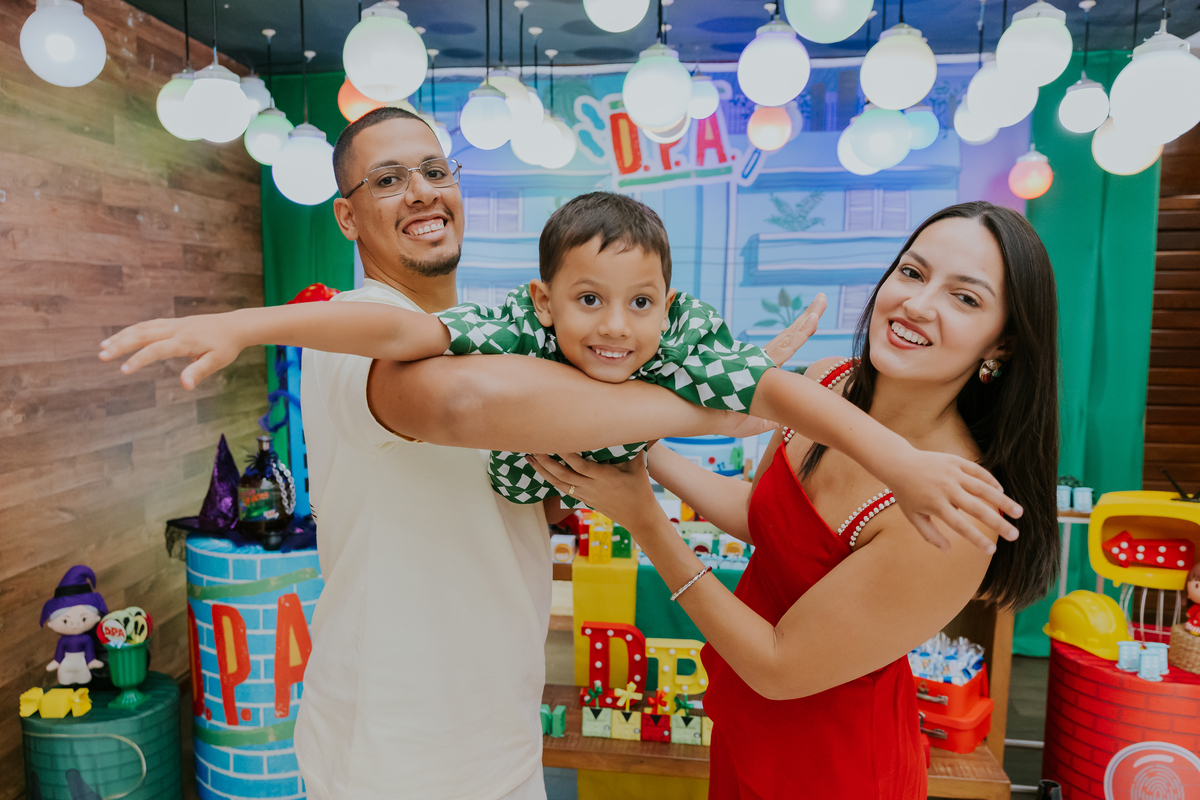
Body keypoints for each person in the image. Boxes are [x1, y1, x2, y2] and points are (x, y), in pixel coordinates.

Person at [98, 107, 800, 800]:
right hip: (396, 750)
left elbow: (520, 471)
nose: (422, 191)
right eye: (388, 179)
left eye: (435, 170)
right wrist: (720, 409)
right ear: (346, 218)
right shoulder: (358, 331)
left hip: (497, 732)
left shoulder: (465, 334)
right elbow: (463, 404)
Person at [103, 191, 1021, 551]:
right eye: (589, 302)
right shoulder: (513, 318)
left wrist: (903, 465)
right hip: (510, 496)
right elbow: (394, 328)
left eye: (640, 304)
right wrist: (243, 325)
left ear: (668, 300)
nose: (616, 329)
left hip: (571, 496)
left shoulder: (680, 333)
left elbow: (774, 397)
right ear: (544, 300)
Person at [527, 201, 1062, 799]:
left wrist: (648, 523)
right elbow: (766, 516)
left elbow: (779, 666)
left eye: (965, 298)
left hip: (834, 767)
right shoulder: (827, 381)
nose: (918, 304)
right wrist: (642, 454)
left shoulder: (954, 511)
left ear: (1004, 343)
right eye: (912, 273)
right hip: (744, 732)